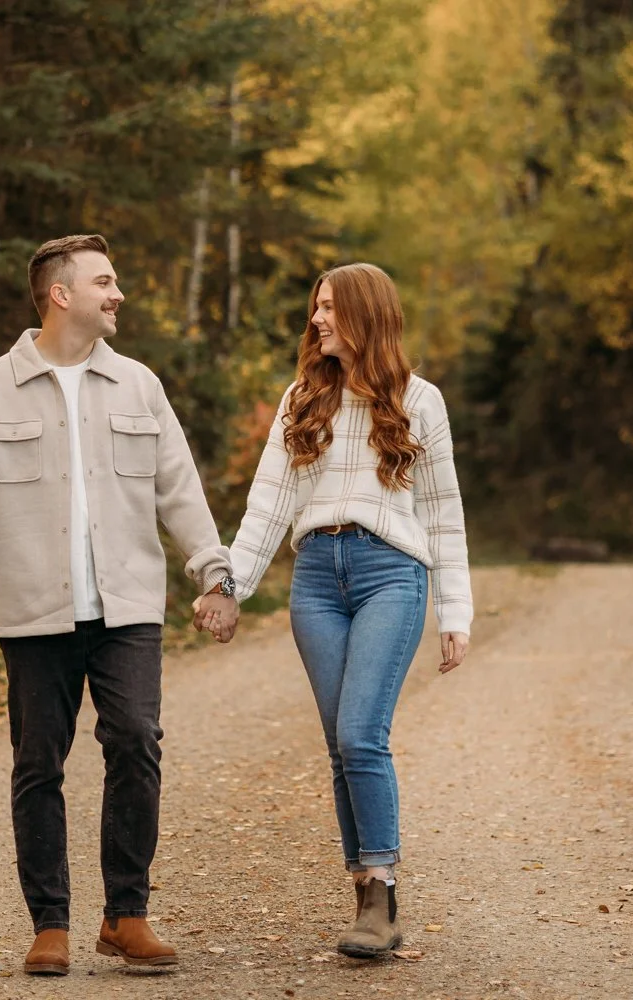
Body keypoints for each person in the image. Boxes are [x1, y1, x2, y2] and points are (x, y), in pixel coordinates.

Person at [0, 234, 239, 976]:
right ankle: (50, 925)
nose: (119, 293)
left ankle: (125, 915)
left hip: (127, 604)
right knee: (39, 762)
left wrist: (214, 573)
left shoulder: (139, 386)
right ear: (60, 294)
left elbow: (179, 489)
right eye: (106, 281)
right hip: (33, 610)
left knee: (135, 741)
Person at [195, 262, 472, 958]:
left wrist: (454, 612)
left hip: (389, 574)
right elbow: (267, 506)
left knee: (359, 734)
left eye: (330, 308)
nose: (317, 319)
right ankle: (365, 899)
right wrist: (229, 587)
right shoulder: (302, 399)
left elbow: (443, 513)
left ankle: (381, 890)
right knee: (338, 746)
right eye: (315, 308)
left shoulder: (420, 401)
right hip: (316, 580)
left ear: (367, 314)